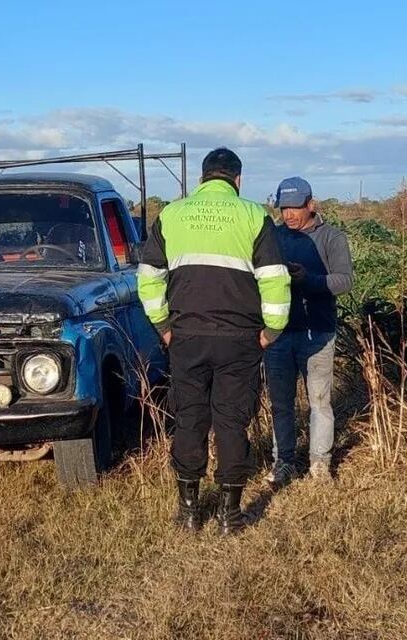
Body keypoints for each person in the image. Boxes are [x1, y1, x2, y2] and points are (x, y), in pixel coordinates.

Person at [136, 147, 291, 534]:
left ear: (202, 179)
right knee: (231, 421)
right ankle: (230, 514)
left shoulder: (171, 215)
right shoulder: (255, 216)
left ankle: (189, 512)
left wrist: (163, 325)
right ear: (237, 180)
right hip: (241, 338)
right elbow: (274, 277)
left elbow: (149, 277)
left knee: (189, 419)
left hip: (185, 336)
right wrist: (272, 330)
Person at [263, 177, 353, 485]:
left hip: (319, 333)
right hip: (278, 334)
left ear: (311, 205)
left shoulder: (332, 238)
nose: (288, 214)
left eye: (295, 208)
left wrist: (308, 280)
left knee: (319, 402)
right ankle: (283, 462)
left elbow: (344, 281)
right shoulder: (272, 238)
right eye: (284, 208)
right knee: (281, 403)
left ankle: (319, 465)